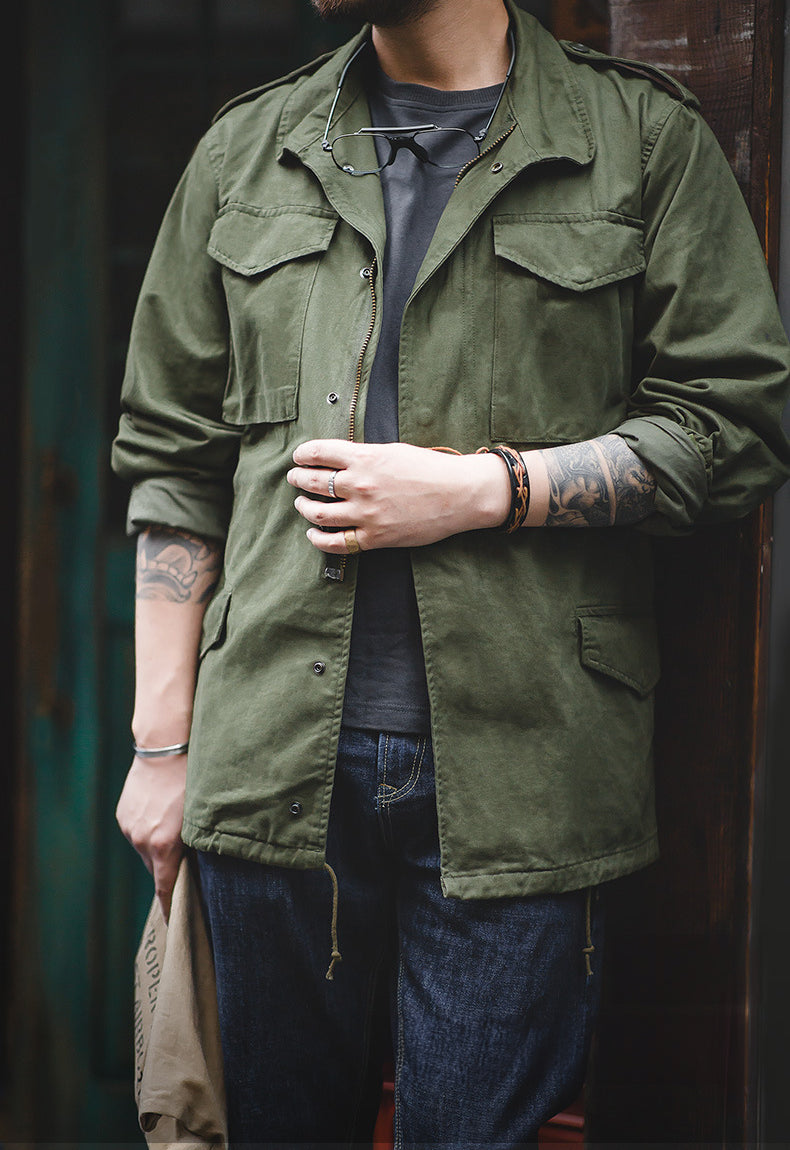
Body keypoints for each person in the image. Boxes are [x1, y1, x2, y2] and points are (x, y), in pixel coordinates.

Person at [111, 0, 790, 1144]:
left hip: (529, 776)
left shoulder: (637, 141)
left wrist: (485, 488)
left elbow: (731, 425)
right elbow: (174, 458)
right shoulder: (248, 148)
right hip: (269, 770)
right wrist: (159, 746)